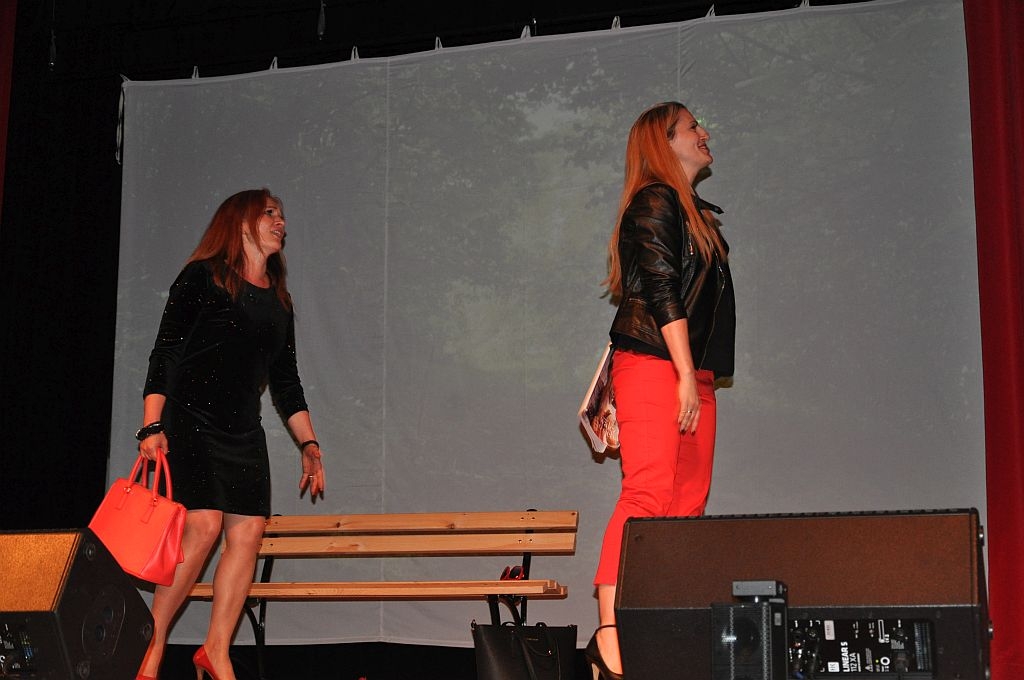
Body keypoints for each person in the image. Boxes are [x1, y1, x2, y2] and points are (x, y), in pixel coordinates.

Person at [134, 188, 326, 680]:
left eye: (282, 215)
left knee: (248, 533)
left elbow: (286, 383)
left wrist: (309, 443)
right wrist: (151, 424)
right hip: (191, 420)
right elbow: (166, 352)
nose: (281, 222)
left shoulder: (278, 301)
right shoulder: (202, 277)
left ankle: (215, 650)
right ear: (240, 222)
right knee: (203, 525)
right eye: (270, 213)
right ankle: (152, 641)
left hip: (243, 432)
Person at [586, 102, 736, 679]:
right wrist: (681, 373)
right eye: (693, 127)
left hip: (692, 370)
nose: (705, 132)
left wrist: (694, 375)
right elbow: (661, 288)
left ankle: (663, 621)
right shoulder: (655, 200)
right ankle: (609, 632)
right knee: (647, 493)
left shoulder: (696, 213)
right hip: (655, 362)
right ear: (663, 142)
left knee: (687, 503)